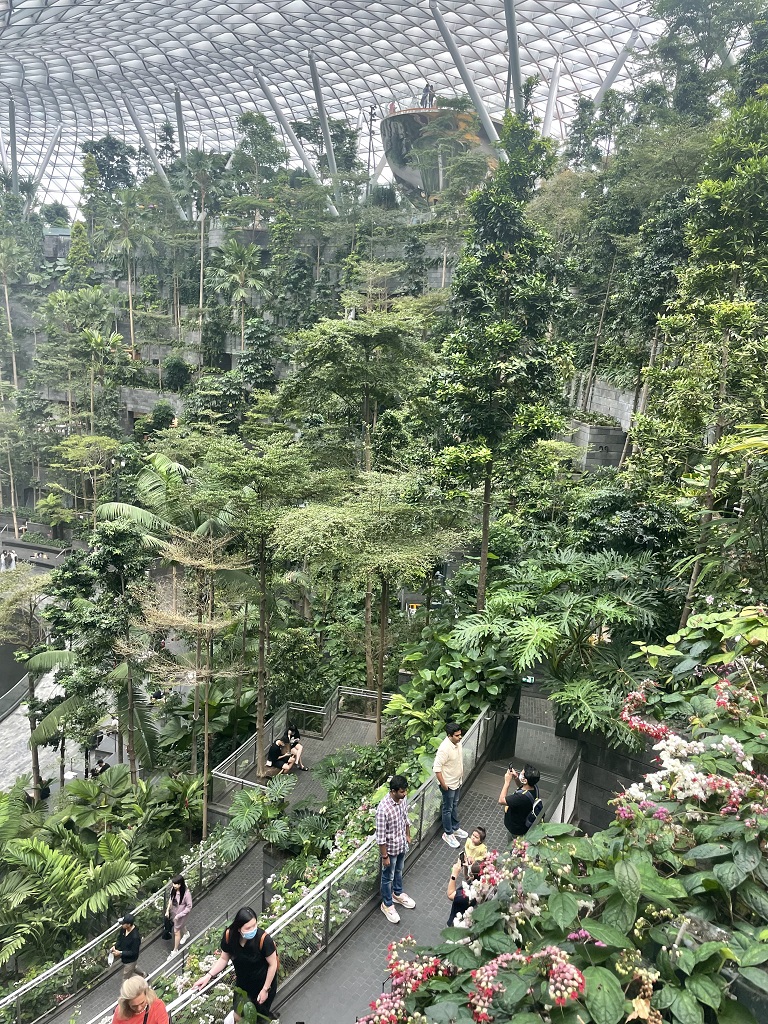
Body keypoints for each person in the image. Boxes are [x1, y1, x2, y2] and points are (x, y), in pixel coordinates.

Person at [192, 906, 278, 1023]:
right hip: (243, 984)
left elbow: (273, 964)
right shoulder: (229, 937)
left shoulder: (263, 939)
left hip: (263, 984)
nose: (253, 929)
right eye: (248, 928)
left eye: (255, 925)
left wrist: (265, 989)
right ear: (239, 928)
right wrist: (208, 975)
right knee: (237, 1015)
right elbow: (223, 958)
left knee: (258, 1018)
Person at [375, 774, 416, 923]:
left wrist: (407, 834)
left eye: (405, 791)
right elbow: (380, 836)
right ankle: (386, 904)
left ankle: (397, 893)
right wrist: (384, 856)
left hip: (401, 845)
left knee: (399, 870)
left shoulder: (402, 800)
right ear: (393, 791)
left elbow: (405, 817)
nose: (404, 794)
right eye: (401, 792)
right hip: (390, 849)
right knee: (387, 878)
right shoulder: (383, 809)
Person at [434, 721, 466, 849]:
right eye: (457, 735)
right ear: (449, 735)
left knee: (453, 805)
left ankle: (455, 828)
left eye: (460, 735)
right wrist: (444, 785)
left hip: (456, 782)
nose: (460, 737)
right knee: (447, 809)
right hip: (448, 785)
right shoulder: (444, 749)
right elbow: (437, 769)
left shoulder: (458, 743)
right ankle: (448, 833)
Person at [499, 764, 542, 837]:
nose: (520, 774)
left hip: (516, 829)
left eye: (522, 774)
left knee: (513, 844)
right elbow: (521, 786)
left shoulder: (521, 798)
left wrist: (507, 782)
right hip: (522, 820)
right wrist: (516, 777)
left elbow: (501, 800)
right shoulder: (533, 787)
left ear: (525, 780)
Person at [446, 858, 481, 926]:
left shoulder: (467, 894)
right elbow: (468, 878)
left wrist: (454, 874)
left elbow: (450, 894)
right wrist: (466, 868)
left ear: (472, 875)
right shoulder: (480, 884)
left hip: (459, 923)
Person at [165, 874, 192, 959]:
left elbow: (189, 907)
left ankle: (175, 950)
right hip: (173, 913)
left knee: (176, 931)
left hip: (180, 916)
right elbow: (170, 899)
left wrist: (179, 915)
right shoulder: (173, 890)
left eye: (175, 884)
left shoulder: (186, 894)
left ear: (180, 884)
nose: (173, 885)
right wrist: (167, 910)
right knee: (181, 926)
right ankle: (186, 933)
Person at [111, 913, 143, 979]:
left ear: (128, 925)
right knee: (134, 968)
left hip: (130, 960)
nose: (122, 925)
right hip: (124, 958)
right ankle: (144, 975)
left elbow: (134, 952)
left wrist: (120, 953)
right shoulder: (123, 929)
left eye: (123, 923)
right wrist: (115, 946)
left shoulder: (135, 937)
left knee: (125, 978)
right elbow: (120, 939)